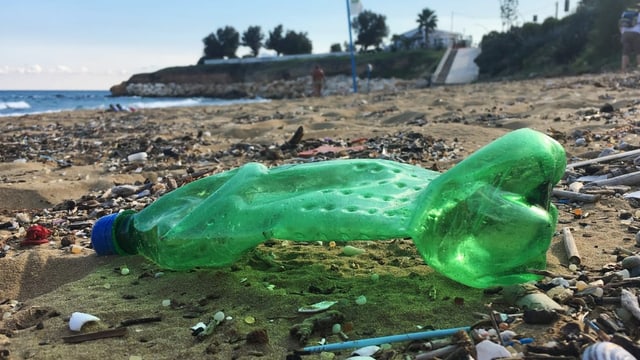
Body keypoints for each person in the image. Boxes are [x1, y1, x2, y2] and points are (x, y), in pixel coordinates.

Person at [620, 7, 640, 72]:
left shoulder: (624, 14)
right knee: (638, 51)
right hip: (636, 33)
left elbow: (621, 25)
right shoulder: (638, 14)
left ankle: (624, 69)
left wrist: (622, 34)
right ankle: (639, 67)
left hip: (625, 34)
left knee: (625, 52)